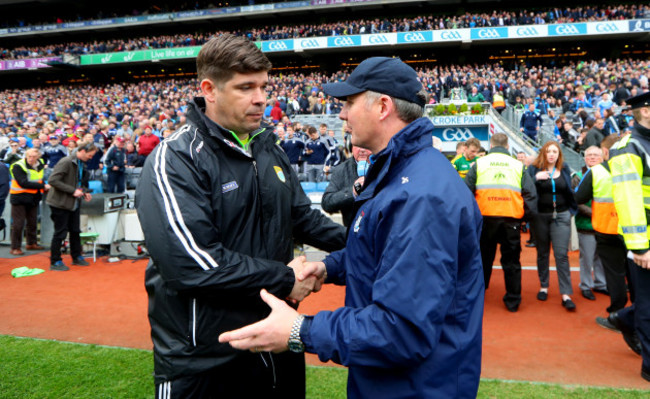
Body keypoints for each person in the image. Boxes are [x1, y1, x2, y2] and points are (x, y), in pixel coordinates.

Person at [219, 56, 484, 398]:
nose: (342, 114)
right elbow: (383, 253)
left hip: (415, 387)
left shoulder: (421, 195)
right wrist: (327, 267)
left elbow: (401, 331)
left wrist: (300, 330)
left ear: (383, 106)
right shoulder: (400, 170)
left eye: (349, 103)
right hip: (394, 382)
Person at [135, 34, 346, 398]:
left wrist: (369, 242)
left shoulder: (269, 148)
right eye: (246, 87)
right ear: (209, 89)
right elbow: (193, 264)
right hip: (206, 358)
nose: (261, 98)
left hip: (277, 339)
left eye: (264, 86)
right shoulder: (177, 158)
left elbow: (302, 219)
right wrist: (284, 278)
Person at [465, 133, 537, 312]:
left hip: (485, 219)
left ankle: (478, 295)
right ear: (507, 146)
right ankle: (513, 300)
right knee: (511, 261)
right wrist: (522, 217)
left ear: (490, 145)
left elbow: (466, 192)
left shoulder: (479, 164)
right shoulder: (517, 165)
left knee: (482, 259)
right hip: (510, 220)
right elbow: (530, 195)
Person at [608, 91, 650, 381]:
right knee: (648, 304)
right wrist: (641, 247)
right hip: (646, 239)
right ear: (644, 112)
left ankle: (624, 318)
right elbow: (628, 199)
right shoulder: (628, 147)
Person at [574, 136, 635, 329]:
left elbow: (579, 196)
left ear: (605, 152)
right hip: (634, 230)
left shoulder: (597, 171)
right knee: (634, 273)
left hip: (607, 229)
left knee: (614, 274)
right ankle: (638, 311)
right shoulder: (635, 169)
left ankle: (616, 314)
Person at [527, 141, 578, 310]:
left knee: (561, 255)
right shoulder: (534, 169)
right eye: (548, 151)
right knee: (542, 252)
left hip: (562, 216)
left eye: (554, 151)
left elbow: (569, 190)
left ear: (559, 154)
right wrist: (535, 179)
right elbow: (525, 188)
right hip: (540, 216)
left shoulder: (564, 168)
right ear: (543, 153)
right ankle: (544, 286)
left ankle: (565, 293)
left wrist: (571, 211)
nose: (551, 154)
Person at [46, 141, 96, 271]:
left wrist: (84, 192)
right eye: (90, 155)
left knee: (75, 231)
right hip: (60, 203)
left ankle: (76, 256)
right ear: (83, 151)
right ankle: (55, 260)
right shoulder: (66, 162)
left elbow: (78, 182)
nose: (91, 158)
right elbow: (53, 180)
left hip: (73, 202)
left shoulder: (80, 163)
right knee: (60, 232)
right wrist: (73, 191)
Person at [9, 148, 48, 255]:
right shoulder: (18, 165)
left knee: (32, 222)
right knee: (19, 223)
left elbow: (39, 178)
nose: (31, 159)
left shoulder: (40, 163)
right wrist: (43, 186)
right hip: (19, 197)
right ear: (26, 155)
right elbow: (23, 182)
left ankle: (31, 243)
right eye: (29, 156)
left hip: (34, 197)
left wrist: (43, 186)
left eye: (34, 157)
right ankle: (15, 247)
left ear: (38, 157)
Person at [321, 145, 371, 228]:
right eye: (358, 145)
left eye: (366, 144)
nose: (362, 150)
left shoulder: (386, 166)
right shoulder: (341, 169)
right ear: (352, 148)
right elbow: (327, 203)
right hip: (352, 232)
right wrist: (352, 193)